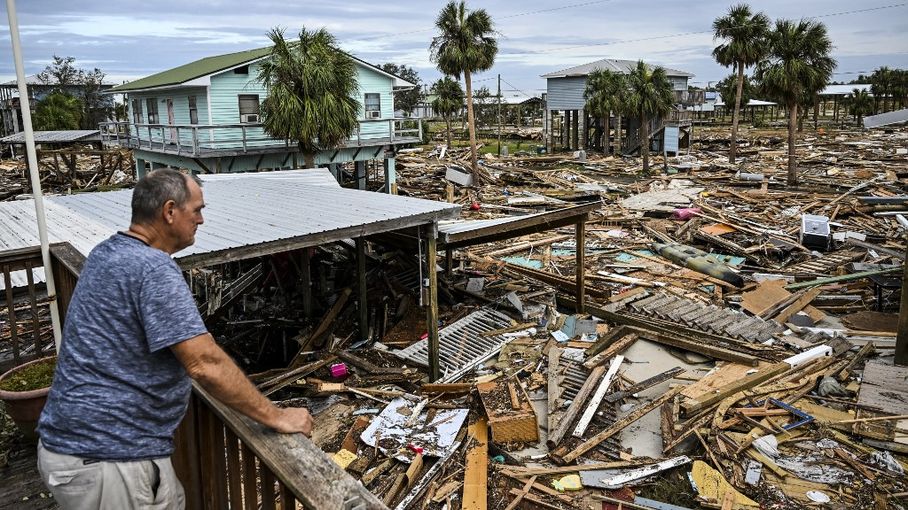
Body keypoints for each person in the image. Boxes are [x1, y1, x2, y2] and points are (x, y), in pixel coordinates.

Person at [37, 169, 312, 509]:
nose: (201, 220)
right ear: (169, 211)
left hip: (79, 447)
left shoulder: (107, 253)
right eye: (197, 210)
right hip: (109, 456)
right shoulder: (152, 268)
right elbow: (204, 362)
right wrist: (276, 416)